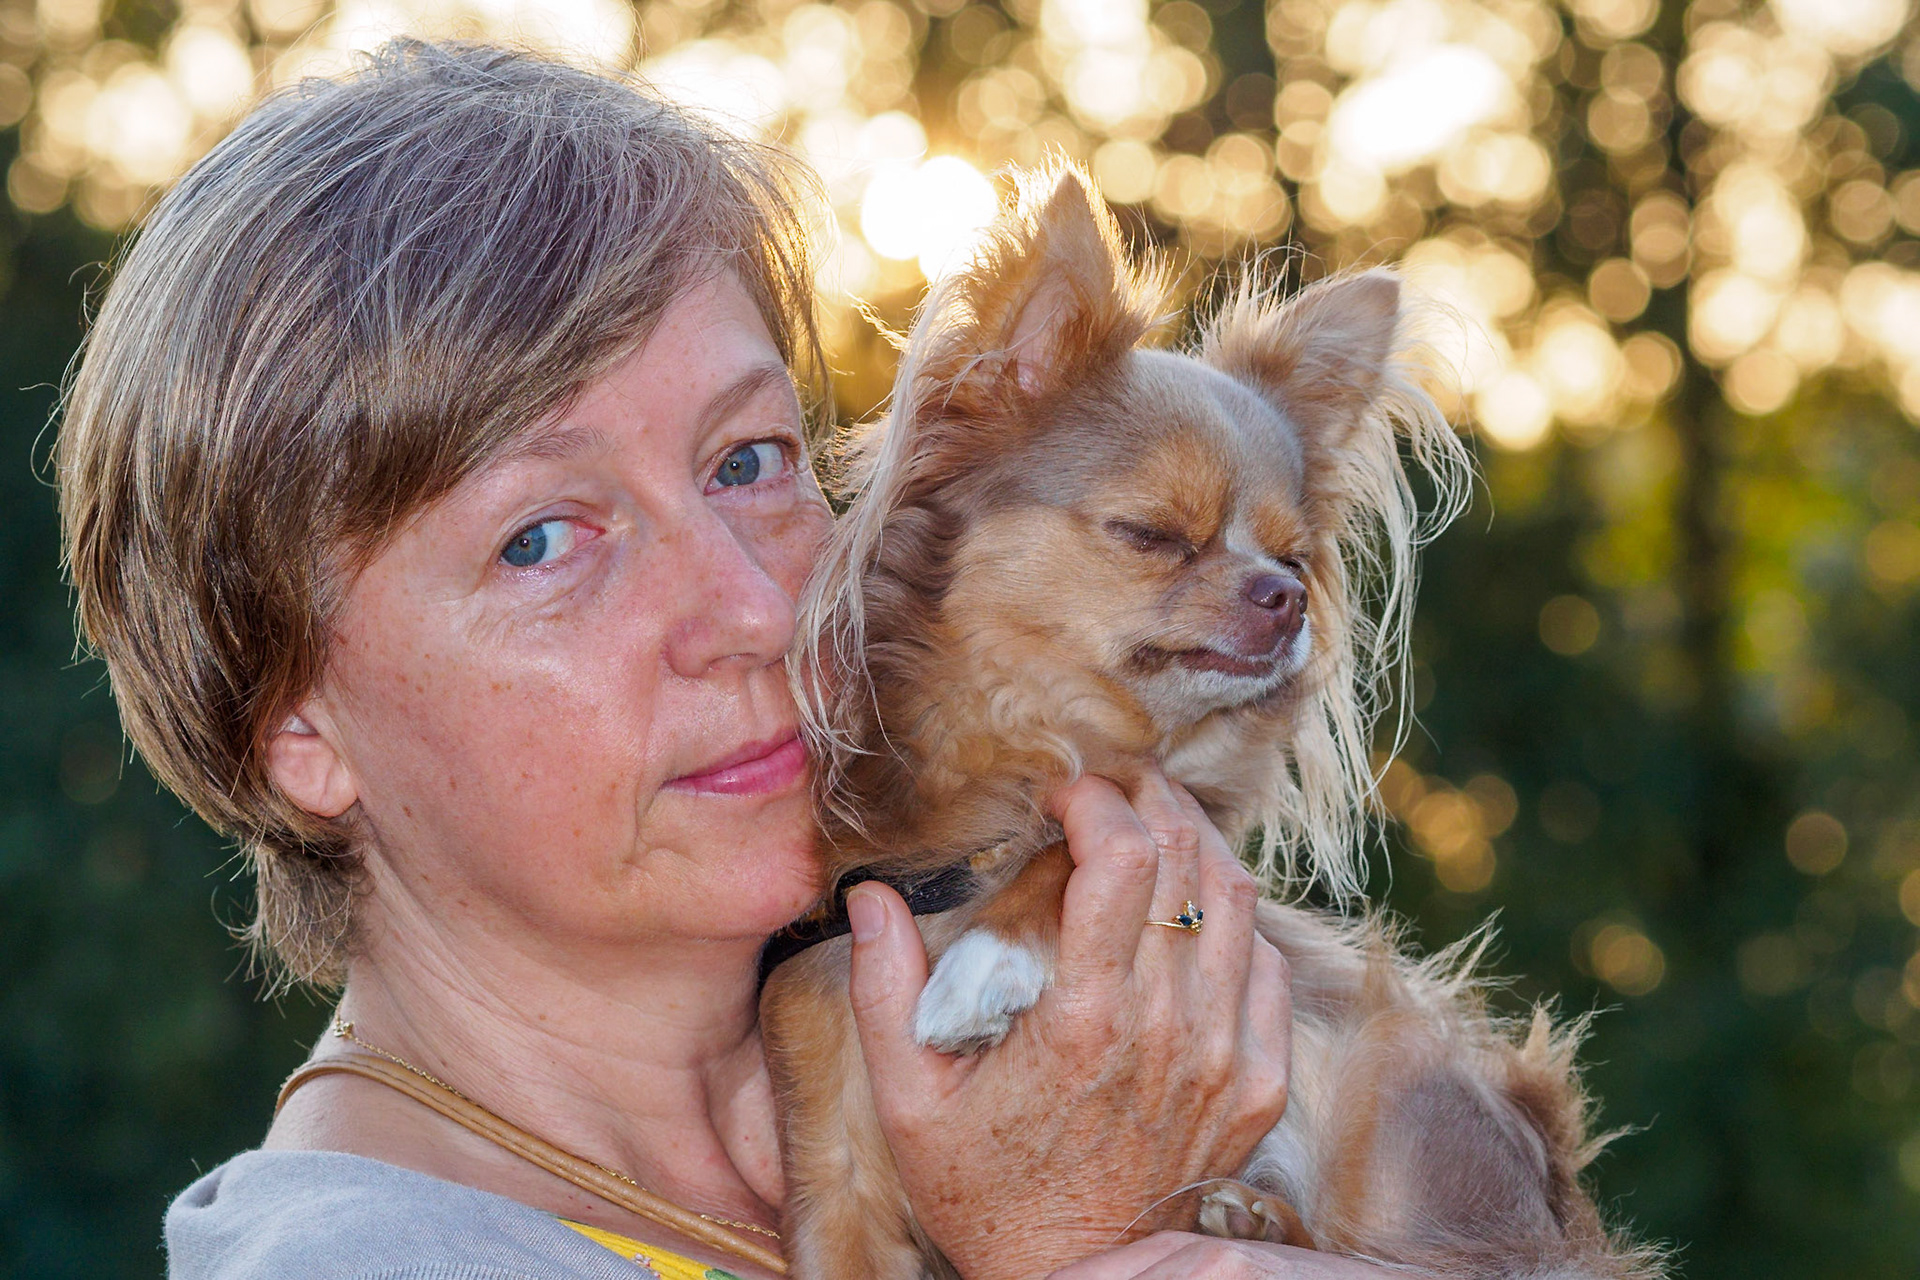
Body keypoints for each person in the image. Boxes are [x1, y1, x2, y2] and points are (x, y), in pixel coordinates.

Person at [58, 40, 1396, 1280]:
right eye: (541, 540)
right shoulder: (378, 1259)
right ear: (295, 725)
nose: (756, 607)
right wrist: (1058, 1241)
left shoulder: (1074, 1076)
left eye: (748, 461)